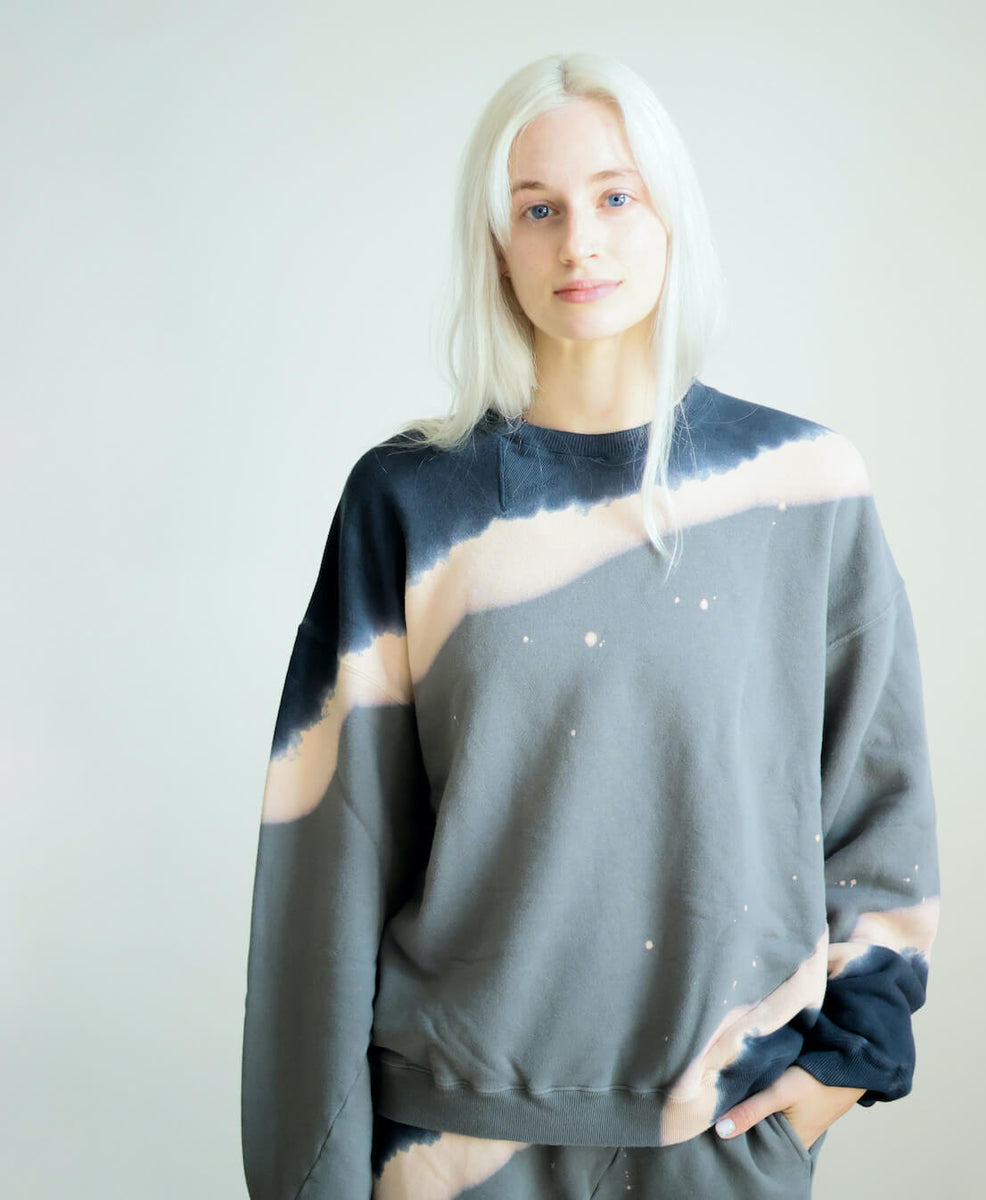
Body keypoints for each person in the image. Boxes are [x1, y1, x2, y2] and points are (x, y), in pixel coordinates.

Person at [240, 50, 940, 1200]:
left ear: (671, 217)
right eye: (539, 208)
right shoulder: (409, 502)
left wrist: (846, 1065)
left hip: (724, 1136)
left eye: (616, 196)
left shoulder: (801, 487)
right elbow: (328, 857)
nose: (581, 242)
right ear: (496, 243)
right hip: (452, 1143)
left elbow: (881, 804)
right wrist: (311, 1173)